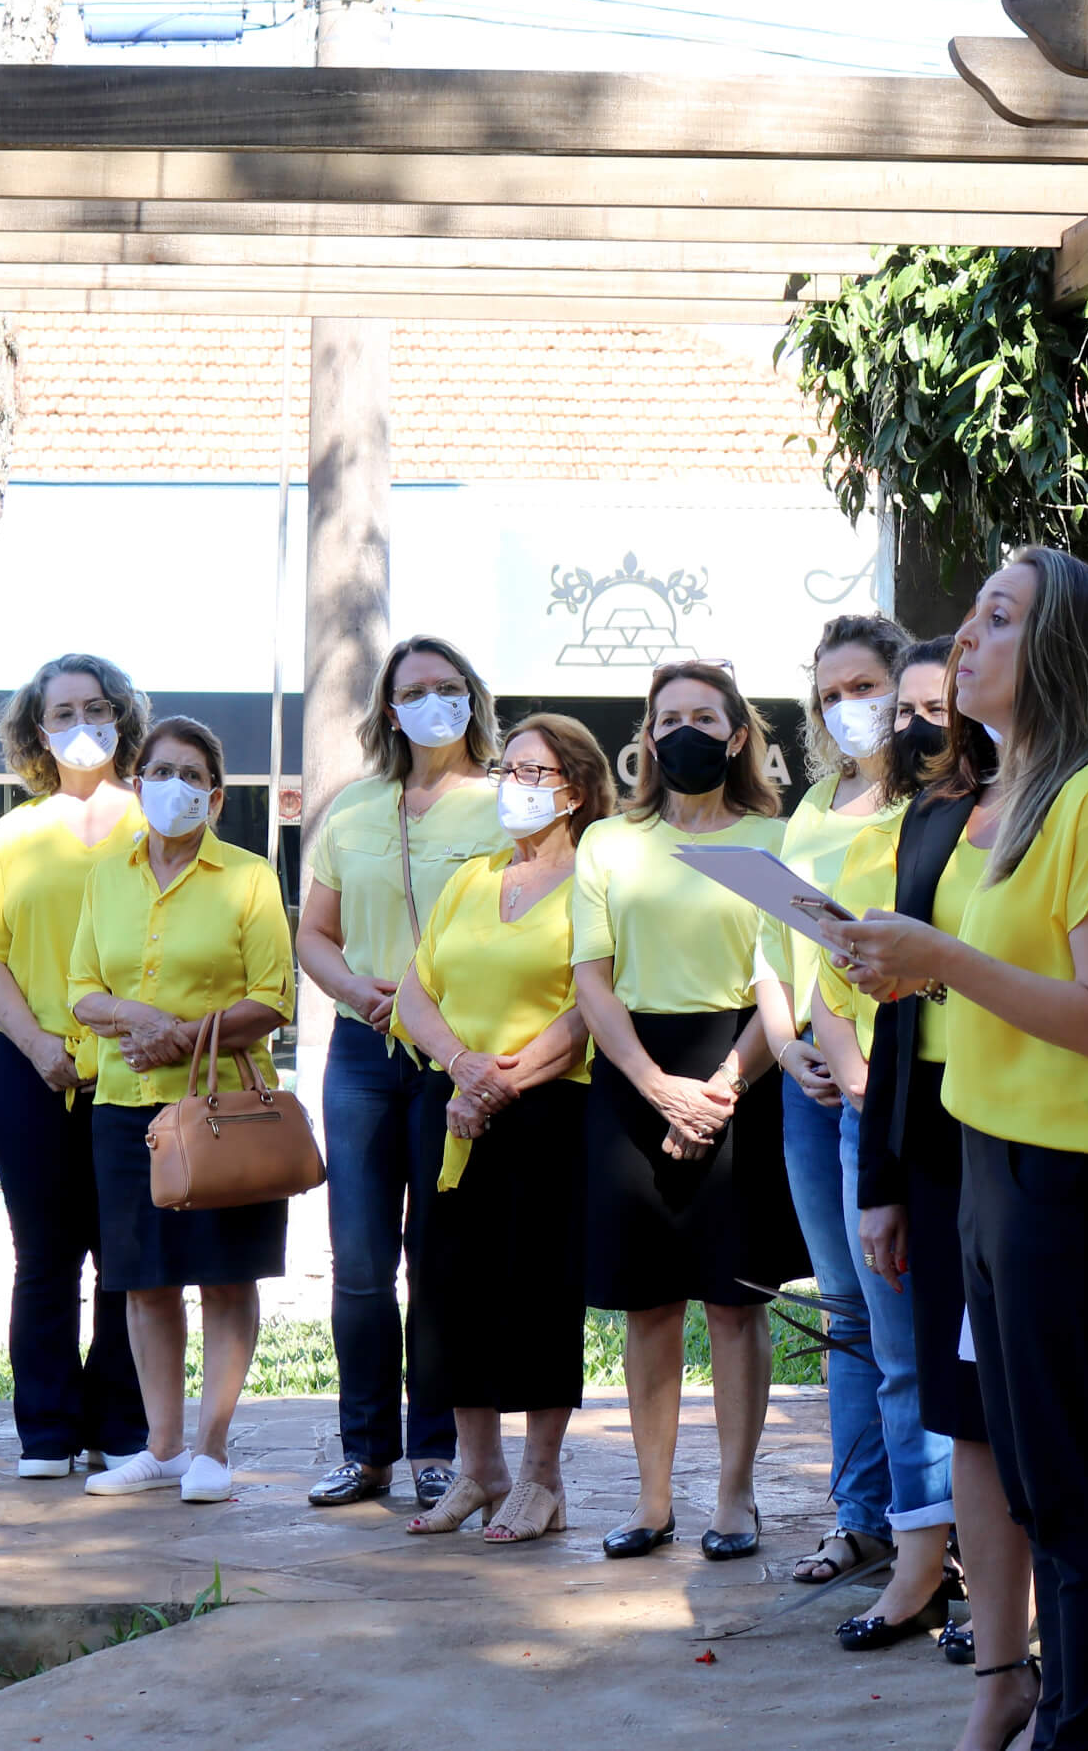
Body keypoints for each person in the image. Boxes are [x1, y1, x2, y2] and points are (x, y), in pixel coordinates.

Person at [824, 549, 1088, 1751]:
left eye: (996, 616)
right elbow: (998, 989)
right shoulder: (1024, 797)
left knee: (1081, 1504)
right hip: (994, 1166)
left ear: (1062, 650)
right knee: (1037, 1485)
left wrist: (943, 960)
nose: (963, 637)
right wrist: (895, 960)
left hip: (1072, 1181)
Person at [822, 639, 1040, 1747]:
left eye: (994, 628)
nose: (961, 665)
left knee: (1032, 1409)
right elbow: (903, 1017)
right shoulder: (937, 814)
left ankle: (1051, 1651)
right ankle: (999, 1668)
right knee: (961, 1412)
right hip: (941, 1136)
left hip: (1044, 1131)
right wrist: (885, 1181)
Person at [572, 659, 807, 1562]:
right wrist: (653, 1083)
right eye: (668, 717)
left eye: (705, 717)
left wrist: (721, 1087)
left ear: (739, 734)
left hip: (741, 1069)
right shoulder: (607, 845)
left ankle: (735, 1498)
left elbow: (780, 979)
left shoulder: (773, 841)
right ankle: (652, 1497)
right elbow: (592, 978)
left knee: (733, 1302)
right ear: (646, 734)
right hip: (633, 1076)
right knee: (648, 1305)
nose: (685, 732)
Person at [391, 715, 617, 1544]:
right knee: (448, 1285)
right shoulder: (473, 877)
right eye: (508, 770)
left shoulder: (596, 879)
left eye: (534, 773)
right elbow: (417, 990)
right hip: (450, 1109)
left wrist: (500, 1081)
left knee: (539, 1289)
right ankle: (478, 1468)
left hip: (547, 1112)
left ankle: (540, 1479)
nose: (513, 786)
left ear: (575, 792)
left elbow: (587, 1009)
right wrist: (459, 1066)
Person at [297, 636, 506, 1512]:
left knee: (441, 1260)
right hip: (362, 1055)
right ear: (390, 709)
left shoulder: (503, 805)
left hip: (454, 1057)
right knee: (359, 1261)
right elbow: (314, 933)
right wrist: (355, 990)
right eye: (417, 689)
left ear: (474, 700)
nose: (435, 702)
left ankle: (436, 1450)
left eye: (451, 687)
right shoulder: (353, 812)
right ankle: (366, 1448)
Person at [71, 717, 298, 1505]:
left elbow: (274, 998)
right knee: (142, 1281)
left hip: (221, 1114)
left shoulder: (248, 877)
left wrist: (182, 1042)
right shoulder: (105, 875)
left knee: (225, 1279)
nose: (176, 786)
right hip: (126, 1107)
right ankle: (160, 1448)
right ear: (137, 785)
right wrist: (142, 1021)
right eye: (161, 771)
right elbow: (81, 991)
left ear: (216, 794)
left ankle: (211, 1448)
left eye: (193, 775)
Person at [754, 613, 925, 1596]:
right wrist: (787, 1043)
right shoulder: (813, 806)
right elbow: (775, 949)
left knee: (898, 1312)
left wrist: (850, 1057)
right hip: (810, 1089)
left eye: (863, 686)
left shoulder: (930, 807)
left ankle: (921, 1529)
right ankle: (859, 1516)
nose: (847, 708)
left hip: (882, 1087)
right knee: (845, 1311)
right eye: (828, 695)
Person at [0, 653, 152, 1482]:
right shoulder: (13, 832)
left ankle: (120, 1428)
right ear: (39, 731)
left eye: (95, 708)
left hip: (138, 1076)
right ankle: (44, 1431)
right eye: (62, 712)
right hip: (31, 1073)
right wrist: (37, 1045)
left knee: (126, 1255)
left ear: (121, 717)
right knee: (44, 1256)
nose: (80, 726)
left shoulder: (158, 820)